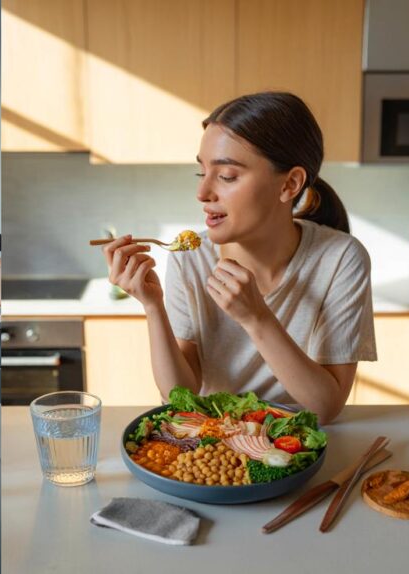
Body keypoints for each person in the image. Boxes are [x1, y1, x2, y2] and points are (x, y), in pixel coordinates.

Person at [103, 92, 376, 424]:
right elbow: (181, 398)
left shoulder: (341, 258)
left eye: (227, 176)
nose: (202, 194)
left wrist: (256, 318)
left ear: (290, 184)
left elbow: (325, 408)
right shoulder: (191, 259)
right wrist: (152, 306)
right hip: (212, 445)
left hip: (296, 446)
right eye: (200, 173)